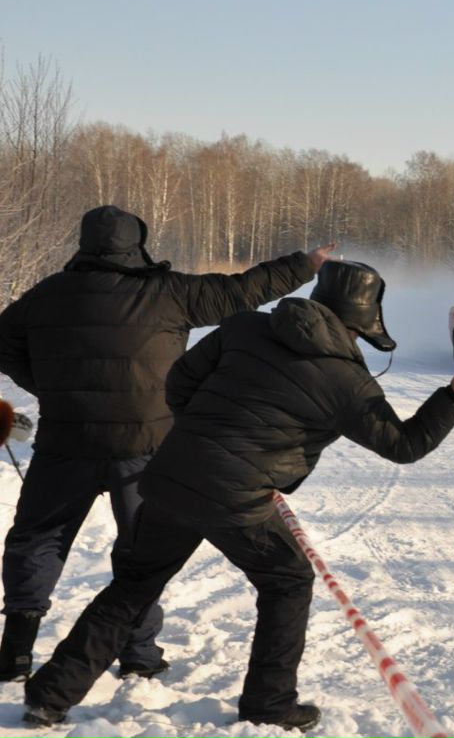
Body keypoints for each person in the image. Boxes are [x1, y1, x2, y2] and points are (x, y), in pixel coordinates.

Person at [22, 260, 454, 731]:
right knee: (288, 582)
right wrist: (453, 399)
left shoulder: (245, 327)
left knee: (133, 586)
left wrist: (201, 437)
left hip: (171, 475)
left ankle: (50, 695)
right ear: (363, 320)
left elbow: (179, 384)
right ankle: (270, 704)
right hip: (235, 497)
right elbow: (405, 446)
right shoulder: (348, 382)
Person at [0, 205, 334, 684]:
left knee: (39, 537)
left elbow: (4, 344)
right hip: (147, 444)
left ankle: (14, 651)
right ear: (138, 243)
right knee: (142, 550)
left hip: (65, 441)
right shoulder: (170, 292)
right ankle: (137, 654)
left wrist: (52, 387)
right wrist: (304, 264)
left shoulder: (46, 295)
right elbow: (243, 291)